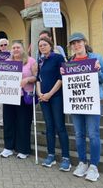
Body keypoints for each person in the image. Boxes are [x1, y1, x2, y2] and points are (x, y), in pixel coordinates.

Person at [62, 32, 103, 182]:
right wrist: (63, 74)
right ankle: (82, 162)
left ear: (84, 42)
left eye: (78, 42)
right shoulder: (70, 62)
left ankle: (94, 166)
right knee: (79, 133)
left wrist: (98, 71)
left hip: (93, 101)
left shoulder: (96, 58)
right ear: (71, 47)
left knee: (93, 134)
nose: (76, 45)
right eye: (73, 43)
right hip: (76, 102)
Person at [36, 37, 71, 171]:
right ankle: (51, 155)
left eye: (45, 45)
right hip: (43, 98)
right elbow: (38, 78)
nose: (42, 47)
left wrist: (50, 94)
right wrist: (39, 93)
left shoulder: (58, 58)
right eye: (40, 46)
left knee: (60, 126)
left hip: (56, 97)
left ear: (50, 45)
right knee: (49, 127)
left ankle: (66, 157)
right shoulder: (41, 61)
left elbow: (61, 78)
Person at [0, 40, 36, 159]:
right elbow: (1, 76)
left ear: (23, 49)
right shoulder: (7, 62)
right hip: (9, 96)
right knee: (8, 121)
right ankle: (8, 147)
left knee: (23, 123)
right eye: (14, 47)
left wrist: (27, 80)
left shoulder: (31, 61)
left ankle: (23, 149)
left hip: (24, 96)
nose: (15, 49)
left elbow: (36, 77)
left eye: (18, 47)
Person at [0, 38, 10, 126]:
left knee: (9, 103)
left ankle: (9, 120)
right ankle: (0, 122)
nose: (3, 47)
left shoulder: (12, 55)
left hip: (10, 82)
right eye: (1, 45)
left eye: (5, 45)